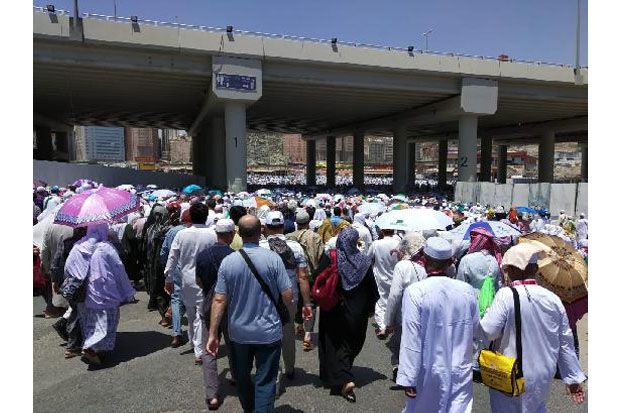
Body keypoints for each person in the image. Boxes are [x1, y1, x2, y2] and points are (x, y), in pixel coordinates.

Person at [477, 243, 587, 412]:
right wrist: (572, 378)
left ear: (511, 270)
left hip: (510, 369)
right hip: (543, 371)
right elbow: (565, 341)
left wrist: (484, 316)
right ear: (535, 269)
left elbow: (488, 331)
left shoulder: (505, 295)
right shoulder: (553, 299)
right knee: (536, 408)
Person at [206, 215, 293, 413]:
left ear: (238, 233)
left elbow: (219, 299)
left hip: (238, 332)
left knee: (242, 377)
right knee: (266, 380)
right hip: (268, 330)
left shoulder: (229, 262)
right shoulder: (273, 259)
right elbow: (287, 295)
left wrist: (212, 334)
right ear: (260, 230)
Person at [397, 237, 479, 412]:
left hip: (429, 368)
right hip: (460, 368)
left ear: (424, 261)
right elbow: (475, 328)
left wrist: (408, 377)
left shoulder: (416, 291)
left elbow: (411, 337)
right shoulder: (466, 290)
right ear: (450, 262)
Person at [317, 227, 378, 403]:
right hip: (356, 312)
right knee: (351, 343)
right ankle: (344, 375)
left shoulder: (330, 258)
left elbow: (318, 279)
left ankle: (342, 377)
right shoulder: (364, 261)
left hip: (333, 309)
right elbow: (372, 289)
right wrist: (371, 308)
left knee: (334, 343)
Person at [63, 223, 137, 365]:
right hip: (104, 292)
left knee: (88, 321)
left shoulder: (78, 246)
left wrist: (78, 278)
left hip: (83, 293)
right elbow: (119, 269)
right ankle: (94, 347)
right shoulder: (106, 248)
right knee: (106, 321)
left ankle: (91, 345)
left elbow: (68, 268)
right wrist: (128, 290)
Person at [260, 210, 313, 396]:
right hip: (290, 297)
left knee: (268, 337)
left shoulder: (259, 247)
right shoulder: (295, 247)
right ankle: (289, 368)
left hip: (264, 299)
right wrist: (307, 304)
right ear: (283, 226)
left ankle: (273, 377)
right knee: (288, 333)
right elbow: (303, 276)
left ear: (265, 227)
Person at [164, 203, 217, 365]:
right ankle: (199, 350)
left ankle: (196, 345)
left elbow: (171, 258)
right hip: (206, 281)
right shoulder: (212, 234)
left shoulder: (182, 234)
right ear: (206, 216)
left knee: (193, 315)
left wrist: (168, 278)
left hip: (186, 280)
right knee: (201, 316)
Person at [195, 219, 236, 410]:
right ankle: (237, 377)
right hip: (231, 308)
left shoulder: (203, 255)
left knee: (209, 349)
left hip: (209, 306)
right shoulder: (235, 256)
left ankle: (211, 395)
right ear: (231, 235)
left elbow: (199, 282)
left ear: (216, 234)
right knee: (234, 345)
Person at [383, 233, 426, 382]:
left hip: (405, 314)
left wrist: (388, 321)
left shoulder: (403, 265)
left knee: (399, 345)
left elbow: (394, 295)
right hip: (425, 315)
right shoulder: (427, 264)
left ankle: (400, 372)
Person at [286, 209, 325, 351]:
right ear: (308, 222)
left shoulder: (289, 237)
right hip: (310, 275)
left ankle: (299, 326)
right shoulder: (316, 237)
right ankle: (308, 333)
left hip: (293, 275)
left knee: (296, 301)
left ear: (296, 223)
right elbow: (321, 257)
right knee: (311, 303)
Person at [50, 226, 87, 359]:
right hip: (81, 283)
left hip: (70, 282)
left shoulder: (67, 242)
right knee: (77, 312)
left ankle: (74, 337)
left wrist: (55, 281)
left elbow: (57, 262)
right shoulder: (86, 244)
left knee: (75, 309)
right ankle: (73, 346)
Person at [159, 206, 190, 348]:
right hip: (192, 268)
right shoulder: (196, 231)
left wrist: (166, 269)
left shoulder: (172, 231)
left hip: (177, 268)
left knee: (176, 300)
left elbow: (164, 252)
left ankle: (177, 333)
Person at [366, 227, 400, 339]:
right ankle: (392, 323)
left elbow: (368, 258)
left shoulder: (377, 244)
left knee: (380, 301)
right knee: (394, 300)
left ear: (382, 231)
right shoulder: (399, 242)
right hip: (396, 275)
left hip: (380, 275)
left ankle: (382, 326)